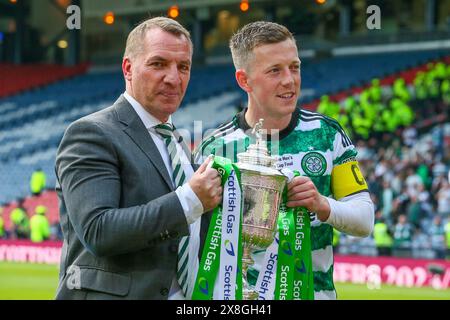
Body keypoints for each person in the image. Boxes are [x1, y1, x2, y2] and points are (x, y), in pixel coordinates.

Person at [195, 21, 374, 300]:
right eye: (274, 70)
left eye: (295, 67)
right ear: (244, 80)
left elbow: (365, 219)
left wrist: (322, 205)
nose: (289, 80)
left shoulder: (327, 135)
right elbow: (198, 239)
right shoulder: (215, 148)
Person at [54, 17, 222, 300]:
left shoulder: (175, 140)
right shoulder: (91, 133)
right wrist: (190, 200)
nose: (173, 77)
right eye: (158, 64)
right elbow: (99, 231)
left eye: (183, 67)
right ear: (128, 68)